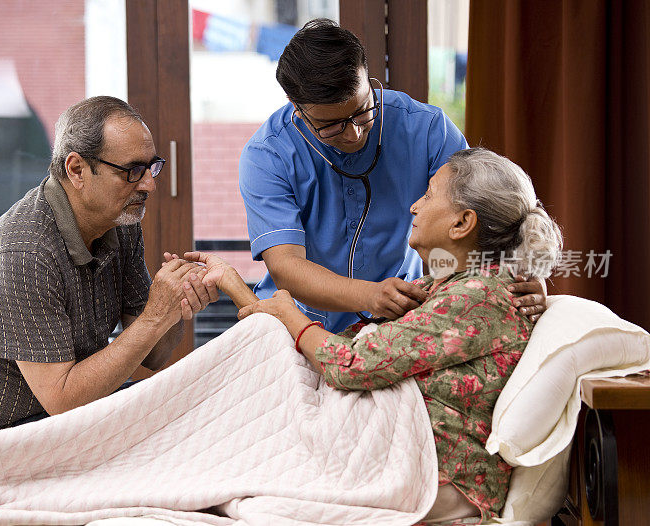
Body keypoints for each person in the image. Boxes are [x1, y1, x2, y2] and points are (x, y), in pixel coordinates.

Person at [177, 148, 563, 522]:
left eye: (428, 195)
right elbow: (344, 348)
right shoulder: (446, 288)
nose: (414, 206)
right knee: (247, 387)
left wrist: (290, 314)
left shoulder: (477, 297)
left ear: (462, 223)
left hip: (436, 480)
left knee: (230, 464)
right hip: (406, 460)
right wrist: (235, 284)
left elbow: (348, 364)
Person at [0, 96, 218, 442]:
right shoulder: (22, 253)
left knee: (189, 410)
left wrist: (175, 307)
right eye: (131, 171)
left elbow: (154, 355)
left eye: (152, 167)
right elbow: (62, 400)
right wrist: (155, 316)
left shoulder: (120, 224)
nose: (149, 184)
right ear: (76, 169)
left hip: (58, 416)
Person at [238, 19, 546, 334]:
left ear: (369, 80)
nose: (355, 134)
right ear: (297, 109)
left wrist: (522, 275)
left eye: (362, 111)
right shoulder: (267, 157)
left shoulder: (427, 130)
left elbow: (489, 208)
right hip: (298, 322)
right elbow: (286, 267)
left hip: (397, 320)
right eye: (331, 125)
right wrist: (371, 295)